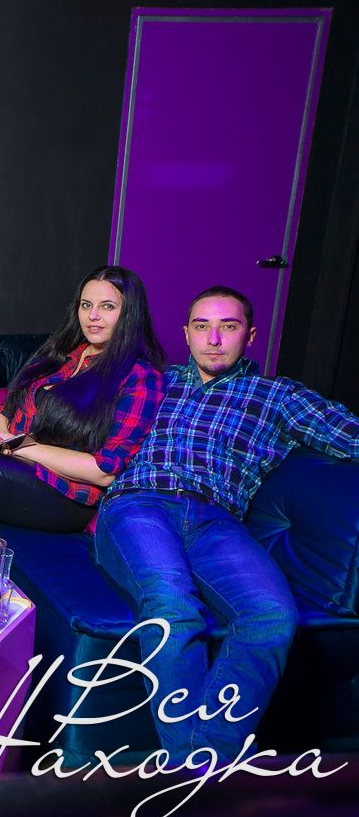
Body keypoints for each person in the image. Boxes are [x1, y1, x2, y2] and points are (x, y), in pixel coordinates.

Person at [96, 286, 359, 763]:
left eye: (228, 327)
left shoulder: (278, 395)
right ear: (186, 334)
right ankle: (197, 777)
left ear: (250, 335)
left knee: (272, 616)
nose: (213, 339)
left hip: (217, 521)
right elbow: (74, 411)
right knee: (172, 605)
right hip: (139, 505)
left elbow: (350, 435)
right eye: (202, 327)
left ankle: (200, 765)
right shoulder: (156, 382)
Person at [0, 264, 165, 533]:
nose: (93, 315)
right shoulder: (61, 355)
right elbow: (7, 408)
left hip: (68, 493)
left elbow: (103, 472)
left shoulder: (139, 377)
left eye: (107, 306)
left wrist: (19, 446)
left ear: (130, 313)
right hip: (17, 463)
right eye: (86, 305)